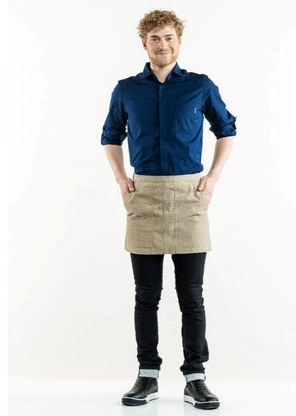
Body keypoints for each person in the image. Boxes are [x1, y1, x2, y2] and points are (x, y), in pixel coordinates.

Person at [101, 9, 237, 410]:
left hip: (189, 195)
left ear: (179, 41)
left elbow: (226, 128)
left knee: (191, 296)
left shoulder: (199, 86)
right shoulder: (127, 89)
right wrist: (120, 177)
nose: (163, 45)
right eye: (155, 39)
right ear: (144, 44)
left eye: (169, 38)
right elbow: (110, 135)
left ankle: (196, 379)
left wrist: (213, 177)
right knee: (146, 296)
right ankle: (147, 375)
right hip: (143, 195)